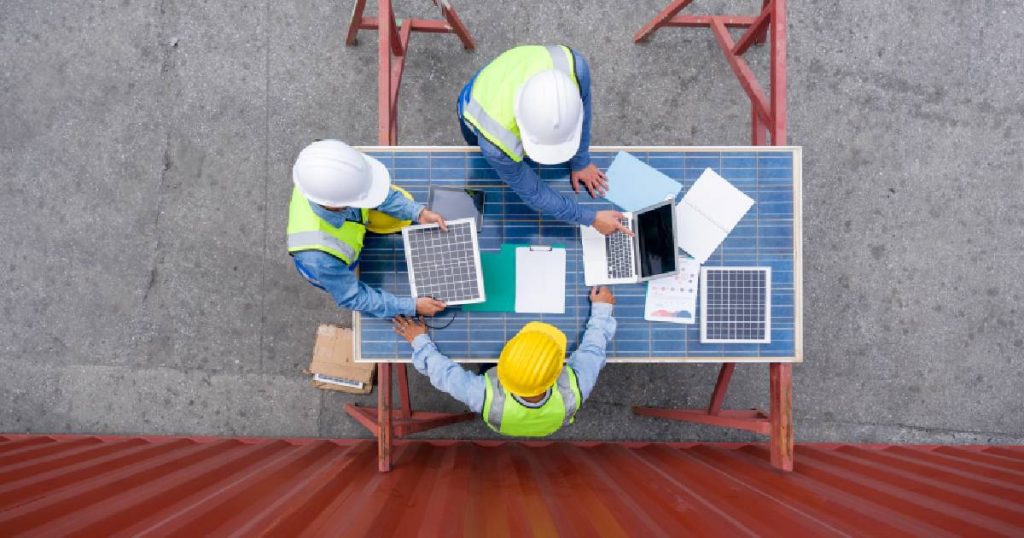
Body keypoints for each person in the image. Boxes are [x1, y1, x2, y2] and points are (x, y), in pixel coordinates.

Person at [392, 286, 618, 437]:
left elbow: (444, 374)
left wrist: (419, 340)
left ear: (503, 366)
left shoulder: (484, 395)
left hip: (504, 422)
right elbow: (593, 348)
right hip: (551, 423)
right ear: (558, 371)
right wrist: (602, 308)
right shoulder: (575, 389)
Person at [458, 45, 631, 236]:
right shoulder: (495, 141)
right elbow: (534, 193)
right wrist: (590, 218)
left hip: (514, 69)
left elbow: (583, 112)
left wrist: (580, 161)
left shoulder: (575, 68)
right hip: (479, 100)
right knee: (486, 164)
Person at [287, 139, 448, 318]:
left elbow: (374, 192)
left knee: (399, 201)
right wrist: (412, 306)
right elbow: (353, 297)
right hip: (334, 266)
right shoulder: (318, 259)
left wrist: (418, 213)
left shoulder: (328, 172)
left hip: (348, 230)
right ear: (339, 204)